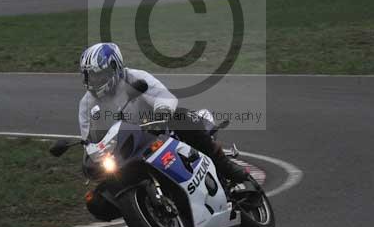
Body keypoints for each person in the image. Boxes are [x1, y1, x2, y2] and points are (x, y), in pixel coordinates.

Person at [79, 42, 248, 184]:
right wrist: (91, 155)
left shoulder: (135, 78)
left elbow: (164, 97)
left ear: (114, 67)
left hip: (157, 132)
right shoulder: (86, 104)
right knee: (98, 200)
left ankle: (224, 165)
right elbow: (89, 139)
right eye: (89, 77)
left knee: (181, 117)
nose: (93, 82)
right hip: (126, 149)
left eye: (98, 76)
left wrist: (161, 114)